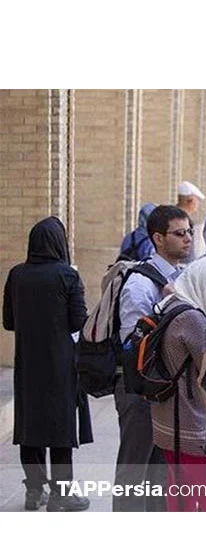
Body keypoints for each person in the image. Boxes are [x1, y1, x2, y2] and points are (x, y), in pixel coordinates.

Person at [3, 217, 92, 511]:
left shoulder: (17, 274)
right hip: (60, 363)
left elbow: (8, 322)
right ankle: (61, 494)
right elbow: (78, 321)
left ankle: (34, 491)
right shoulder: (67, 275)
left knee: (30, 424)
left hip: (28, 362)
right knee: (60, 426)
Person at [113, 205, 192, 511]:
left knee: (160, 473)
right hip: (140, 389)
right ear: (158, 238)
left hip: (165, 390)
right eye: (179, 233)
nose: (187, 239)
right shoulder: (141, 282)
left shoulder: (180, 276)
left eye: (189, 232)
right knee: (135, 470)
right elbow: (133, 344)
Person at [150, 256, 206, 511]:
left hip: (168, 423)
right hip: (191, 429)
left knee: (181, 498)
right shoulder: (193, 320)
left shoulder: (170, 304)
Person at [177, 180, 204, 261]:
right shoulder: (181, 219)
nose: (198, 204)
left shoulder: (177, 216)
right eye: (197, 200)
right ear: (190, 201)